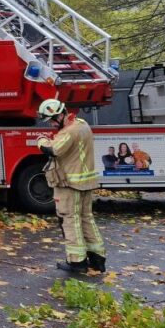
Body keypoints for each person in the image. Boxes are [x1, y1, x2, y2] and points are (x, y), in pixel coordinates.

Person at [37, 99, 106, 274]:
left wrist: (41, 140)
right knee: (86, 218)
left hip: (70, 184)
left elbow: (53, 150)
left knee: (69, 220)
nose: (52, 124)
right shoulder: (82, 124)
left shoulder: (68, 132)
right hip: (86, 182)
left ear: (61, 115)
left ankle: (77, 262)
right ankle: (97, 259)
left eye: (52, 120)